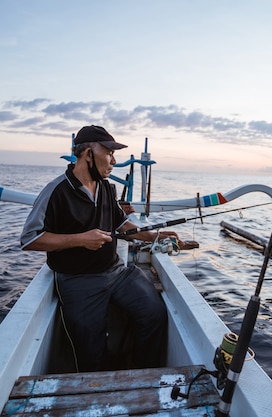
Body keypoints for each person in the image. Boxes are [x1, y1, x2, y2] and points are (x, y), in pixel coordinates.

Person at [20, 125, 178, 372]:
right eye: (109, 152)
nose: (114, 160)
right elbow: (29, 239)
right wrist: (80, 239)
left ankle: (141, 372)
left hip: (117, 272)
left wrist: (154, 236)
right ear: (87, 153)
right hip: (78, 281)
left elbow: (122, 224)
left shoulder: (106, 187)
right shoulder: (56, 190)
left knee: (154, 314)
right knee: (90, 351)